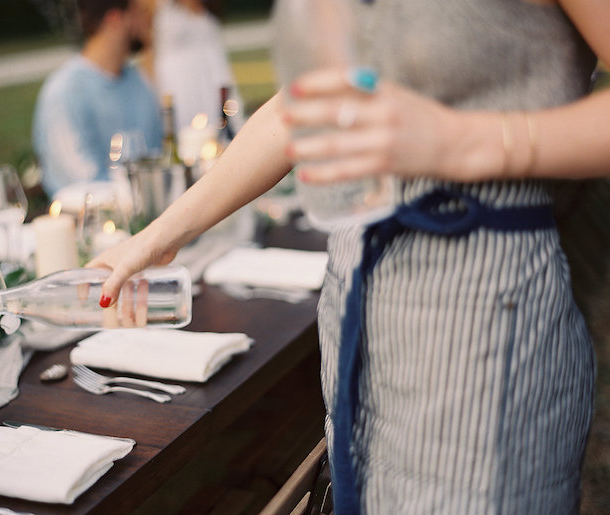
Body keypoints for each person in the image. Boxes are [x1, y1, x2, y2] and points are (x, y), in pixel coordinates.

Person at [89, 0, 610, 512]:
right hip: (358, 311)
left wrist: (461, 142)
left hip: (487, 320)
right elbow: (297, 108)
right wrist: (158, 236)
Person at [32, 0, 162, 197]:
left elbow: (158, 156)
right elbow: (81, 183)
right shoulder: (65, 92)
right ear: (115, 19)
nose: (150, 21)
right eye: (140, 13)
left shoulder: (138, 81)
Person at [147, 0, 243, 135]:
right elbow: (147, 52)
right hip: (178, 87)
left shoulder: (206, 6)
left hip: (209, 83)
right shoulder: (157, 6)